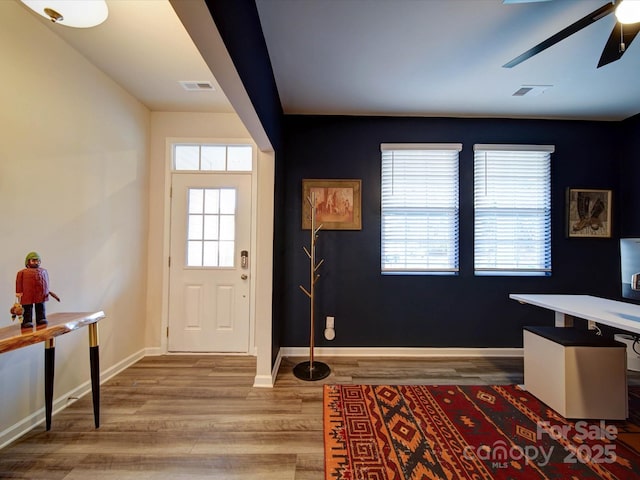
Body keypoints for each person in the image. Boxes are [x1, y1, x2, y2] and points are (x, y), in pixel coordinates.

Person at [15, 252, 60, 328]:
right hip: (27, 293)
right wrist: (18, 292)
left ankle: (41, 318)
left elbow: (46, 281)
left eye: (38, 261)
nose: (36, 262)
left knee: (40, 306)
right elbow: (18, 282)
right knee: (27, 307)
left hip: (40, 293)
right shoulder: (22, 273)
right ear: (28, 262)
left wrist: (46, 290)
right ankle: (27, 321)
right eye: (33, 260)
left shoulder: (43, 271)